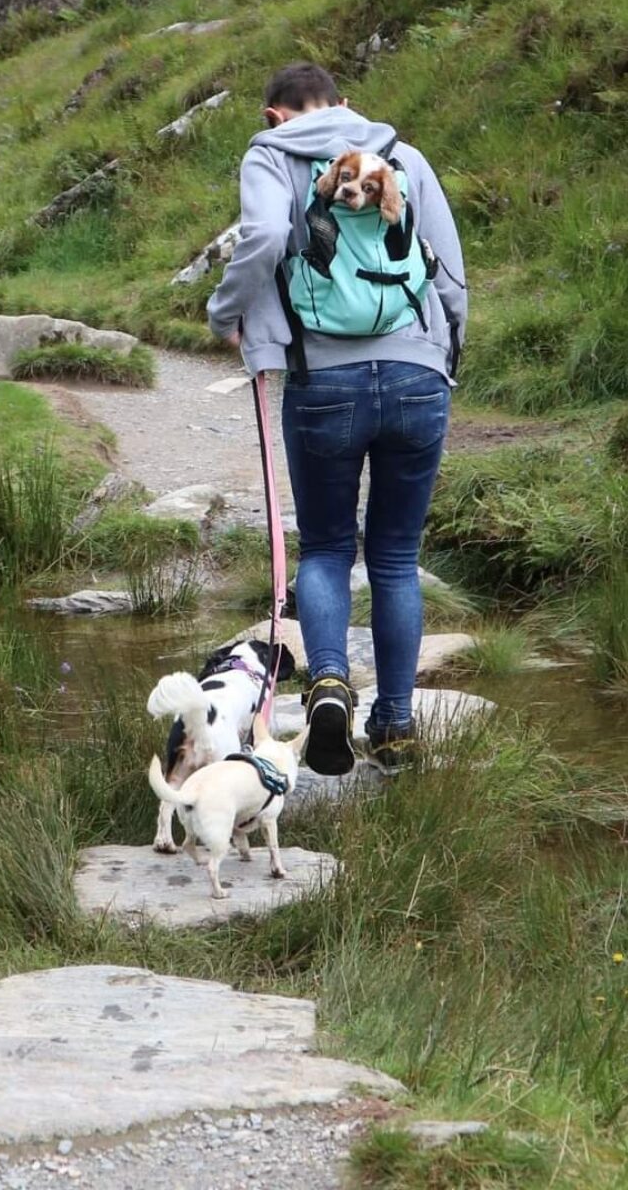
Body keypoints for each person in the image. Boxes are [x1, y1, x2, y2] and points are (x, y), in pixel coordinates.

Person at [207, 61, 467, 774]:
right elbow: (449, 267)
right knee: (395, 557)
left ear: (273, 116)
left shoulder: (271, 155)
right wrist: (448, 354)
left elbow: (262, 238)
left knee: (325, 548)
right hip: (418, 377)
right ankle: (398, 722)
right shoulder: (401, 155)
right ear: (344, 105)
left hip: (325, 380)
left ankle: (327, 682)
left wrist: (224, 310)